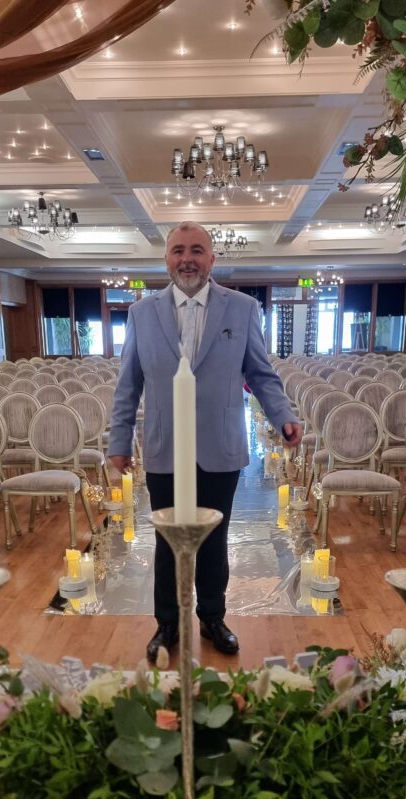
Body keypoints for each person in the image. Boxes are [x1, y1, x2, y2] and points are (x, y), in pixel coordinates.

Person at [108, 222, 303, 661]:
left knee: (215, 540)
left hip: (221, 445)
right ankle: (167, 624)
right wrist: (118, 439)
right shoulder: (142, 313)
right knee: (165, 542)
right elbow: (128, 385)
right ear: (167, 260)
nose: (187, 258)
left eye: (197, 250)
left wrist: (284, 415)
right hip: (164, 447)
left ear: (212, 259)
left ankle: (213, 617)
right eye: (178, 250)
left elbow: (260, 371)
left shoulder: (242, 308)